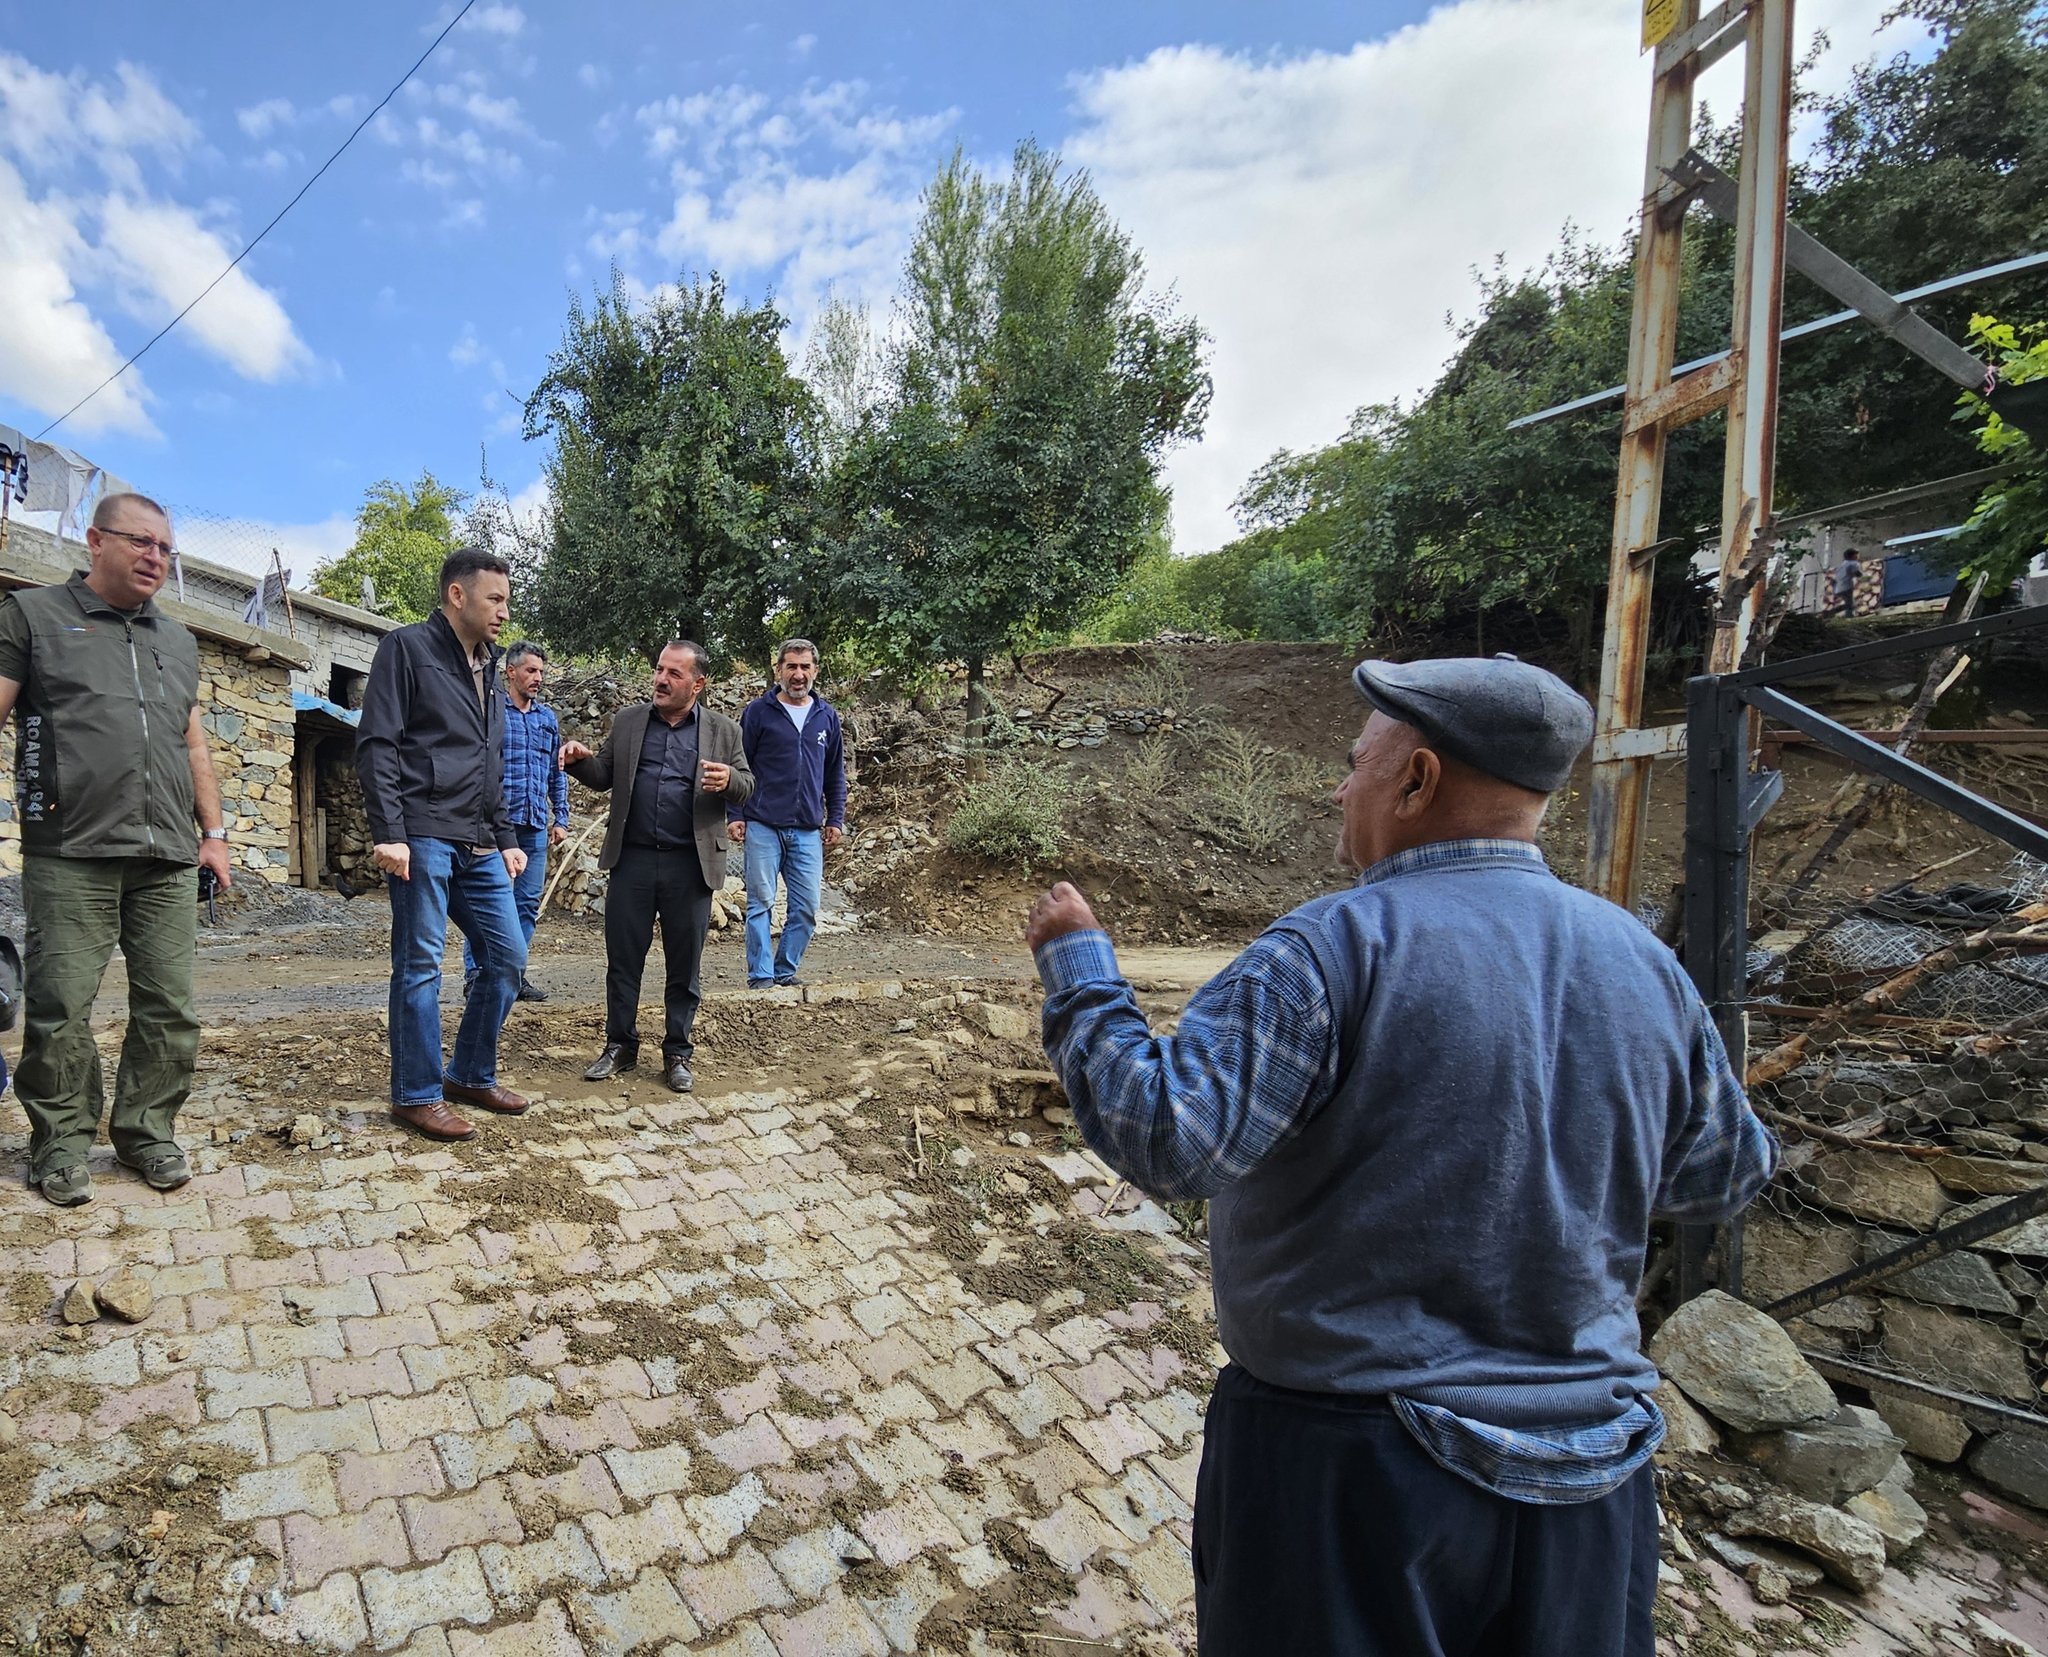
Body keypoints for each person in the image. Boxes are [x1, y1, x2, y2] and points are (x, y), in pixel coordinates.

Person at [1025, 653, 1779, 1656]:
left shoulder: (1328, 950)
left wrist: (1078, 968)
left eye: (1353, 762)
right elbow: (1721, 1176)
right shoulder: (1644, 963)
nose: (1339, 787)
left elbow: (1170, 1139)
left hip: (1350, 1478)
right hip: (1593, 1481)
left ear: (1416, 779)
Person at [0, 492, 233, 1206]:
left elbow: (192, 741)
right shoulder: (33, 617)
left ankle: (147, 1131)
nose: (155, 558)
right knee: (60, 1005)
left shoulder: (178, 640)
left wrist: (214, 834)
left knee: (169, 1006)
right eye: (141, 542)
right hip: (69, 848)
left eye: (165, 548)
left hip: (167, 853)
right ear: (95, 539)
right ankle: (61, 1143)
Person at [356, 548, 531, 1143]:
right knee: (421, 964)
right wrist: (390, 832)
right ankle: (416, 1095)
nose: (504, 611)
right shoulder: (405, 650)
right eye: (495, 599)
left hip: (479, 840)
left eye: (506, 600)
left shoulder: (490, 669)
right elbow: (378, 743)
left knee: (506, 956)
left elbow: (492, 760)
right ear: (458, 595)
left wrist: (506, 836)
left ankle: (470, 1073)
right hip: (424, 833)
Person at [560, 641, 751, 1092]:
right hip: (634, 860)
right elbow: (604, 774)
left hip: (692, 864)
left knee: (685, 967)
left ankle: (678, 1053)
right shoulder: (628, 722)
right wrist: (578, 762)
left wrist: (730, 781)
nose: (661, 680)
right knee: (623, 962)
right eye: (659, 670)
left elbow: (748, 785)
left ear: (698, 684)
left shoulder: (725, 731)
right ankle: (620, 1046)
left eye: (674, 674)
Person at [729, 637, 846, 988]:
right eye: (791, 666)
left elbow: (834, 773)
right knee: (760, 904)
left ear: (815, 671)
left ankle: (784, 969)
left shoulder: (827, 717)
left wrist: (836, 819)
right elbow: (739, 764)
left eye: (805, 667)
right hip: (763, 823)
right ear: (777, 669)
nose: (798, 674)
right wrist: (735, 813)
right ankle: (761, 976)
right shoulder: (757, 713)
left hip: (809, 829)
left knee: (807, 909)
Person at [463, 640, 569, 1003]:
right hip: (494, 827)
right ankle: (477, 974)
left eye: (541, 671)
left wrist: (562, 817)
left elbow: (557, 773)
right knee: (488, 901)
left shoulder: (547, 719)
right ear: (511, 672)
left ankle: (513, 975)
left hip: (535, 824)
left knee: (526, 905)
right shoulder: (493, 711)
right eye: (531, 670)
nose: (538, 678)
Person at [1833, 547, 1865, 614]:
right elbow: (1857, 573)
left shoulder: (1842, 565)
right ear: (1853, 556)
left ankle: (1839, 611)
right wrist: (1865, 576)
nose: (1858, 556)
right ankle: (1841, 613)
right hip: (1846, 586)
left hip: (1838, 587)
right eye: (1857, 554)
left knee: (1849, 603)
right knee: (1850, 605)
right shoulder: (1854, 563)